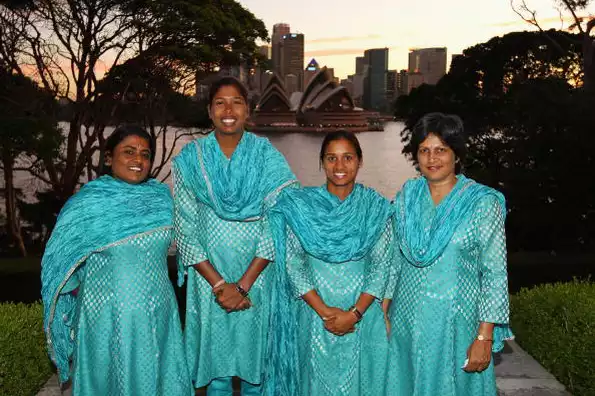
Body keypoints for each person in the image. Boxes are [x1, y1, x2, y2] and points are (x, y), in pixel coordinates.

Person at [41, 125, 192, 395]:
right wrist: (77, 293)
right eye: (129, 152)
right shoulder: (89, 202)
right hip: (106, 317)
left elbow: (187, 238)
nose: (138, 160)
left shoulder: (160, 197)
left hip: (159, 312)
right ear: (108, 158)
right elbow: (58, 257)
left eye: (145, 154)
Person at [173, 76, 298, 396]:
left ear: (248, 110)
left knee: (256, 370)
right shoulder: (190, 160)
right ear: (209, 111)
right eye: (220, 103)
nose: (228, 109)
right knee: (217, 374)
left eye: (236, 102)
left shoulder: (267, 157)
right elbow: (185, 229)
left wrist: (242, 285)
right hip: (207, 279)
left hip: (257, 276)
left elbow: (279, 221)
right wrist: (219, 285)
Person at [386, 112, 513, 396]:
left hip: (456, 326)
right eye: (424, 150)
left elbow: (494, 273)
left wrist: (484, 334)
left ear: (456, 154)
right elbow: (393, 261)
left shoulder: (481, 203)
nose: (432, 158)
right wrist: (383, 312)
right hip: (406, 323)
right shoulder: (406, 197)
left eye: (441, 149)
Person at [267, 130, 394, 396]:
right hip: (313, 315)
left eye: (347, 157)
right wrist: (324, 311)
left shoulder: (375, 208)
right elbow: (293, 263)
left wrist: (354, 314)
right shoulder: (301, 207)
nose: (339, 166)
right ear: (321, 162)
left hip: (363, 316)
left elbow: (381, 265)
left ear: (360, 161)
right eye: (331, 158)